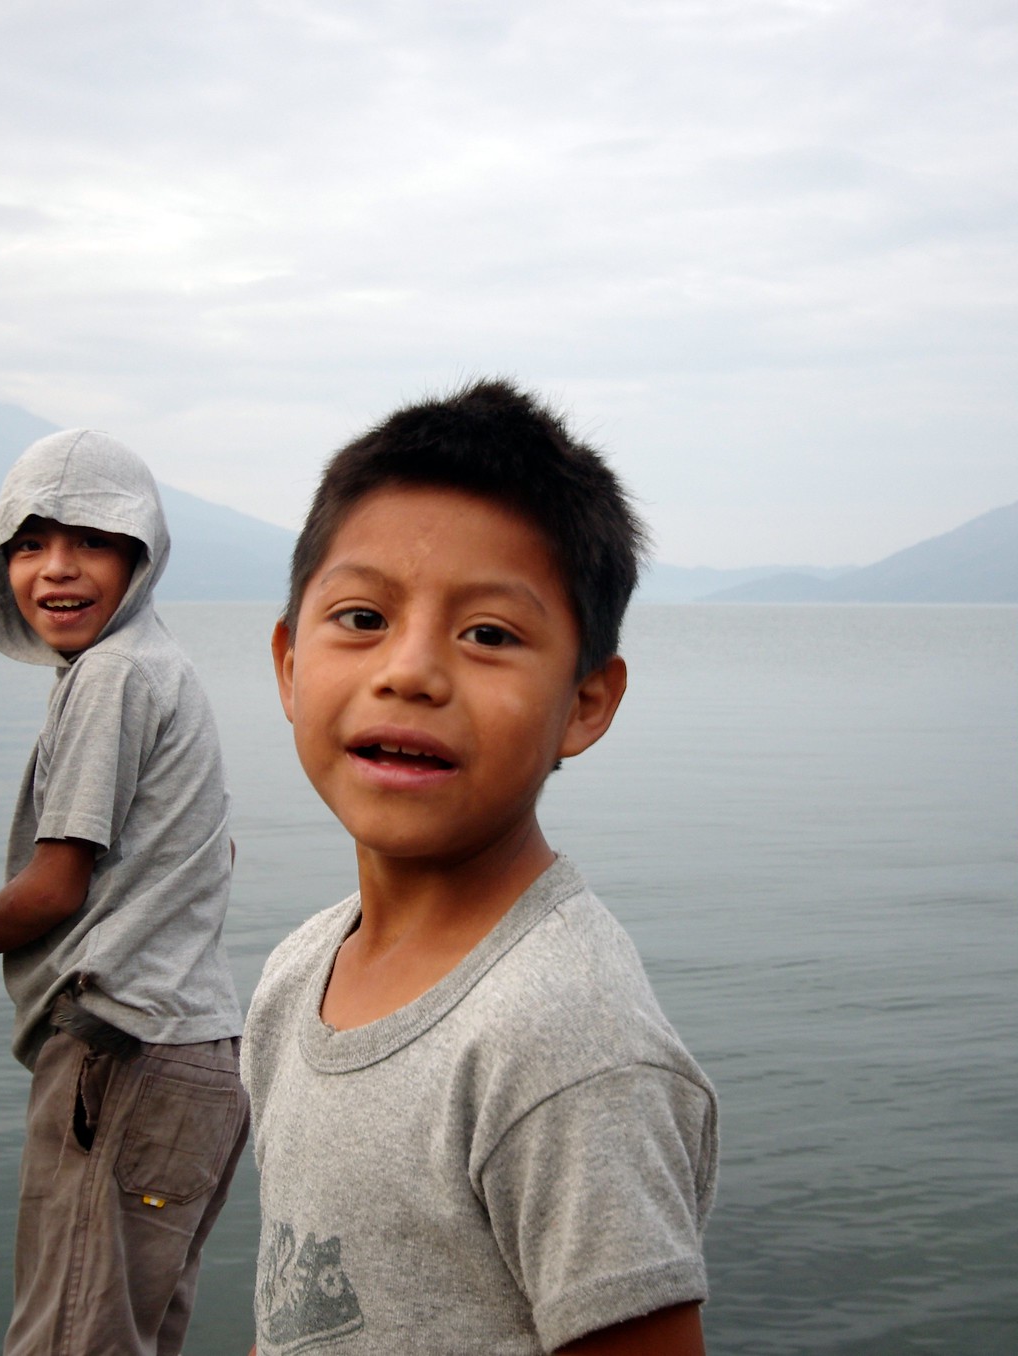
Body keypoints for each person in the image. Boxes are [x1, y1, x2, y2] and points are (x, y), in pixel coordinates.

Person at [246, 381, 718, 1355]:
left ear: (585, 702)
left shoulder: (565, 1042)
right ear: (290, 665)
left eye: (488, 636)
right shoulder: (295, 976)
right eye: (361, 618)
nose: (409, 670)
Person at [0, 429, 248, 1356]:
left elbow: (58, 883)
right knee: (130, 1336)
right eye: (30, 544)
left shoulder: (110, 676)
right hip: (198, 1052)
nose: (56, 570)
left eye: (91, 542)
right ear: (0, 562)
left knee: (69, 1341)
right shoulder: (159, 667)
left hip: (125, 1050)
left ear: (138, 556)